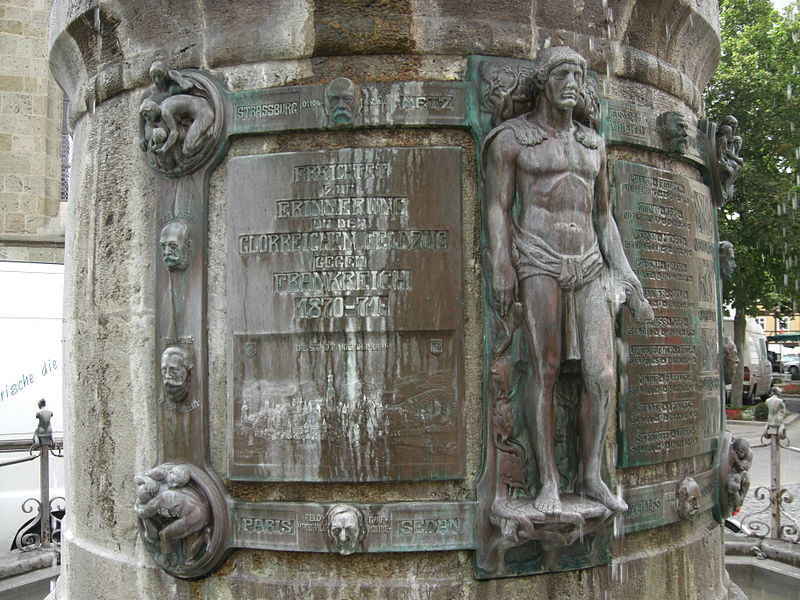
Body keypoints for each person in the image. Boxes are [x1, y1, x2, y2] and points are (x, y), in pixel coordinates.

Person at [483, 46, 653, 515]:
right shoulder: (512, 140)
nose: (573, 81)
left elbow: (604, 216)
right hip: (538, 258)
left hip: (590, 264)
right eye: (562, 72)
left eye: (579, 73)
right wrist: (502, 264)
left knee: (599, 374)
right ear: (543, 81)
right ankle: (549, 482)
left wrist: (625, 270)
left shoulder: (593, 144)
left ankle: (592, 475)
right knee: (547, 369)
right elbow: (497, 206)